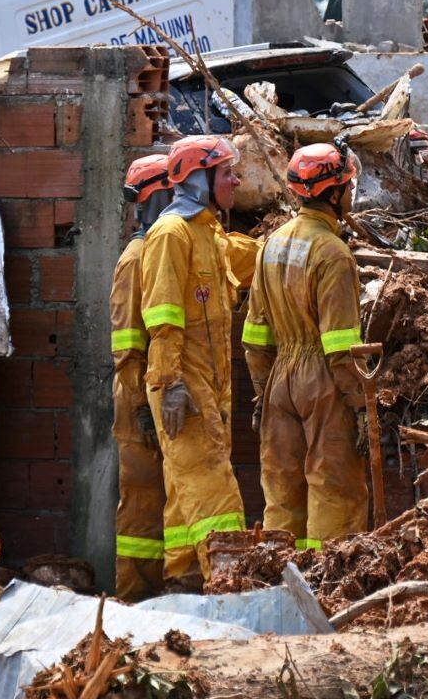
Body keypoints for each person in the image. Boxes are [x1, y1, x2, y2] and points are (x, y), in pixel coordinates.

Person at [140, 134, 258, 590]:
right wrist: (171, 383)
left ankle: (183, 579)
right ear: (198, 178)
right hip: (182, 383)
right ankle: (232, 584)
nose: (235, 180)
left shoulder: (206, 233)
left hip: (206, 382)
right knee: (211, 486)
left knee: (184, 486)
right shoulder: (171, 235)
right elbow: (162, 316)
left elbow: (245, 258)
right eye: (227, 172)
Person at [243, 144, 368, 550]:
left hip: (280, 378)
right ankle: (327, 585)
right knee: (334, 486)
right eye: (347, 186)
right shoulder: (334, 254)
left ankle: (280, 575)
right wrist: (359, 403)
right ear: (333, 193)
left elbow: (256, 335)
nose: (350, 194)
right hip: (323, 382)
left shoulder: (271, 245)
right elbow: (340, 345)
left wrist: (263, 390)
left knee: (282, 490)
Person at [109, 155, 171, 598]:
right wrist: (140, 409)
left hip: (152, 395)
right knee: (142, 501)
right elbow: (127, 348)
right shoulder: (136, 259)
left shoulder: (161, 250)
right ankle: (134, 597)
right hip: (137, 400)